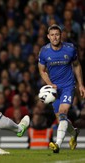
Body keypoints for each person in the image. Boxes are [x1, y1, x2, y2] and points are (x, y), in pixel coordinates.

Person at [38, 24, 85, 153]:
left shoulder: (70, 49)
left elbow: (76, 65)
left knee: (63, 113)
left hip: (68, 86)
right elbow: (42, 71)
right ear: (48, 37)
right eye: (52, 35)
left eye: (57, 34)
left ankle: (57, 144)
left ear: (61, 35)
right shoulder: (44, 51)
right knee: (61, 118)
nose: (55, 37)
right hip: (54, 90)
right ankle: (74, 133)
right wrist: (49, 84)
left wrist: (81, 84)